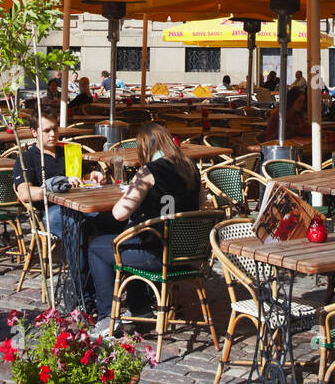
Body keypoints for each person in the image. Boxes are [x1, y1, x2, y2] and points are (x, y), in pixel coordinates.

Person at [87, 123, 201, 332]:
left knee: (98, 248)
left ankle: (105, 318)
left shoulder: (150, 171)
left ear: (145, 149)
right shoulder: (191, 167)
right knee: (129, 238)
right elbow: (201, 207)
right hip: (190, 256)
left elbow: (120, 213)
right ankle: (139, 307)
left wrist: (130, 190)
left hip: (159, 256)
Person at [12, 104, 101, 233]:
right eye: (47, 131)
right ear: (34, 132)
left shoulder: (68, 151)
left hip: (80, 204)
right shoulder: (27, 158)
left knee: (109, 217)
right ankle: (79, 253)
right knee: (72, 222)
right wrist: (58, 186)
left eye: (55, 129)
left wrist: (92, 176)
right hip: (49, 210)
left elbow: (84, 177)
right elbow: (25, 193)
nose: (53, 134)